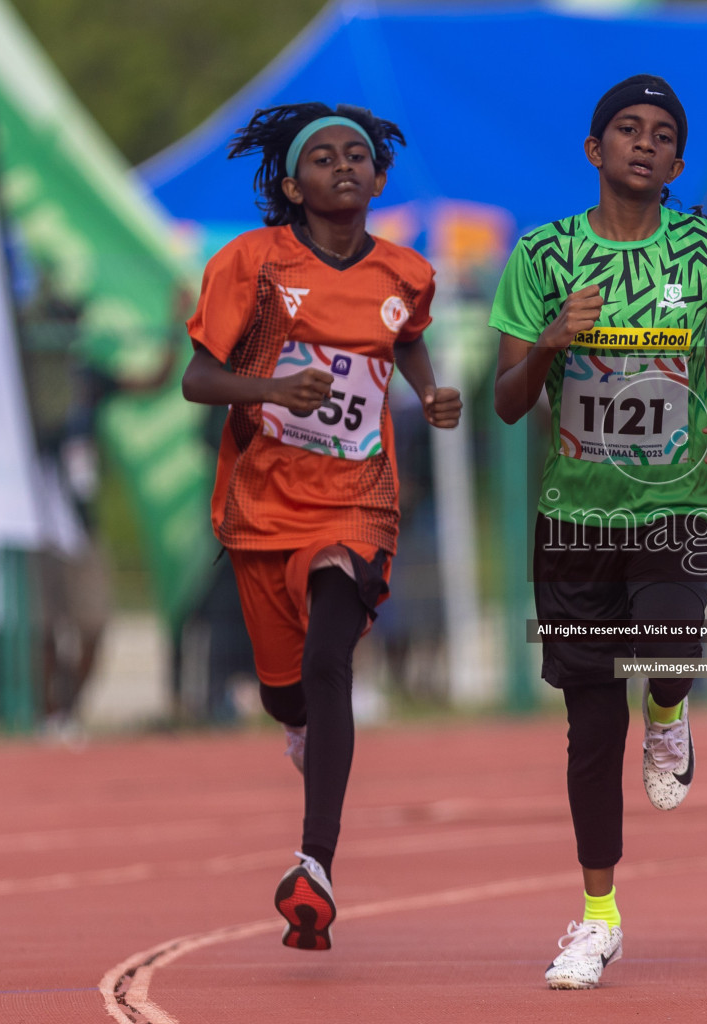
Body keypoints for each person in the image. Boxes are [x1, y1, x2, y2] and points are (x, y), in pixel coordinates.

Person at [490, 74, 707, 989]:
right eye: (626, 129)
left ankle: (671, 710)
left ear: (679, 162)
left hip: (676, 502)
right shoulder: (542, 256)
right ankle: (598, 916)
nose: (643, 143)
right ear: (594, 149)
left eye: (661, 135)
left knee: (670, 642)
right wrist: (547, 342)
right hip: (574, 519)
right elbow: (504, 402)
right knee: (586, 727)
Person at [181, 102, 461, 951]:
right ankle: (297, 724)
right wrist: (271, 392)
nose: (343, 166)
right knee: (285, 691)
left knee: (331, 653)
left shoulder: (407, 273)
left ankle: (316, 865)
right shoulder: (252, 266)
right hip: (263, 504)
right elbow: (199, 379)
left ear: (378, 178)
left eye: (359, 156)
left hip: (358, 499)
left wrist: (427, 389)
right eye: (323, 158)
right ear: (292, 184)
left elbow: (404, 336)